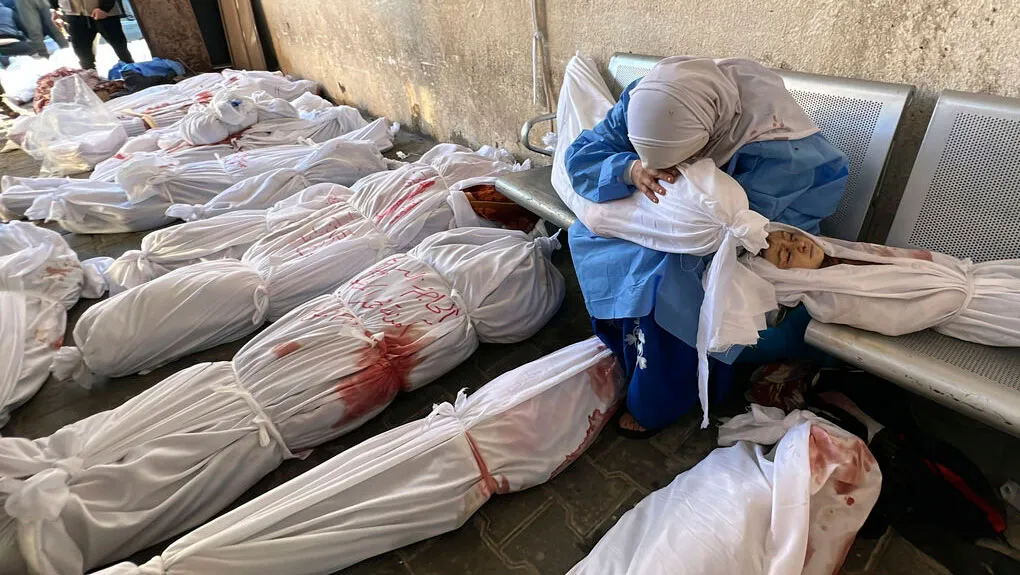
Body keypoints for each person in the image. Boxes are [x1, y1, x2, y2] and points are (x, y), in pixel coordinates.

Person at [565, 57, 850, 437]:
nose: (677, 167)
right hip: (676, 220)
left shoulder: (777, 146)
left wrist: (676, 215)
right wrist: (631, 169)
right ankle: (631, 354)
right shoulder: (649, 102)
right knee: (591, 236)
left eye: (685, 158)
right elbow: (584, 157)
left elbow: (754, 227)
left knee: (668, 283)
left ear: (710, 133)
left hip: (760, 231)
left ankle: (659, 400)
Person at [49, 0, 133, 70]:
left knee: (121, 50)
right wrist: (54, 8)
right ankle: (93, 80)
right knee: (82, 54)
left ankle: (134, 75)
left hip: (104, 14)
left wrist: (104, 8)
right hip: (74, 14)